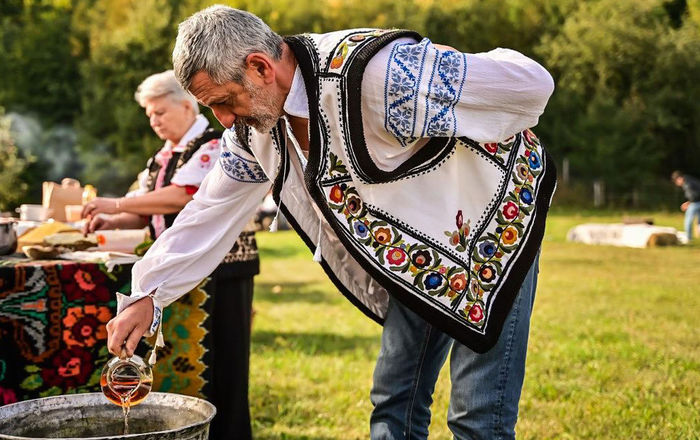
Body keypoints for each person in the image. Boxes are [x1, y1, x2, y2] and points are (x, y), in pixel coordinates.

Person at [107, 6, 556, 440]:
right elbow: (210, 210)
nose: (223, 120)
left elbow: (531, 83)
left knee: (476, 415)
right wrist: (149, 291)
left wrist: (461, 90)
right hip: (422, 256)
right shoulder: (253, 132)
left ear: (261, 67)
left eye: (225, 102)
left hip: (494, 229)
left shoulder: (382, 74)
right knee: (394, 398)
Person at [87, 70, 259, 440]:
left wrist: (117, 201)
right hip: (177, 272)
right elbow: (146, 209)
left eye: (160, 112)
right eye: (149, 114)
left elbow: (183, 196)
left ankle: (229, 433)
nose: (154, 121)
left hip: (223, 269)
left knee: (223, 362)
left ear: (186, 105)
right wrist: (110, 217)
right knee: (188, 360)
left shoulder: (214, 144)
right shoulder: (161, 158)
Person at [671, 170, 700, 241]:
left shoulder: (687, 183)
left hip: (695, 203)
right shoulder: (690, 180)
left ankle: (688, 238)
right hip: (697, 202)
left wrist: (688, 203)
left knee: (688, 221)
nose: (677, 184)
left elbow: (693, 196)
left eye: (676, 181)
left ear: (679, 178)